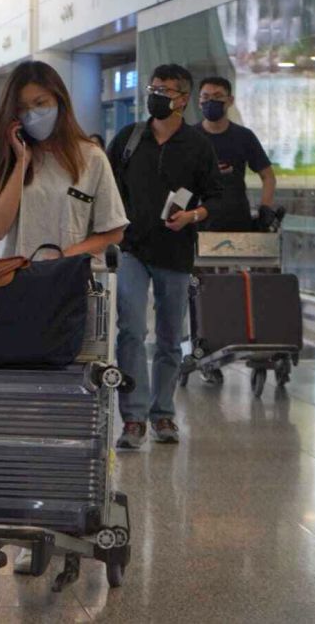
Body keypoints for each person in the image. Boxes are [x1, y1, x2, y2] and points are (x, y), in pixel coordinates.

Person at [108, 64, 223, 448]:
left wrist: (192, 215)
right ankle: (134, 417)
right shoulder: (129, 138)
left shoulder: (197, 145)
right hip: (132, 250)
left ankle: (163, 414)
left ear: (183, 99)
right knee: (131, 330)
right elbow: (107, 189)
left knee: (171, 337)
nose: (157, 95)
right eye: (153, 88)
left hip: (175, 252)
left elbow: (217, 197)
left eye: (166, 90)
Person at [0, 60, 127, 260]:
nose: (32, 114)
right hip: (10, 280)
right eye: (23, 108)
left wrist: (65, 256)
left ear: (59, 101)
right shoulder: (3, 156)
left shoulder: (91, 158)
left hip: (65, 279)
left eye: (40, 103)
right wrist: (22, 161)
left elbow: (113, 231)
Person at [194, 76, 276, 231]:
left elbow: (268, 176)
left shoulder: (243, 136)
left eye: (218, 96)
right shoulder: (189, 137)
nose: (211, 101)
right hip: (197, 220)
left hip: (237, 219)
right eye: (206, 97)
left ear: (230, 100)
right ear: (199, 101)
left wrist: (265, 208)